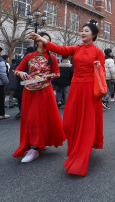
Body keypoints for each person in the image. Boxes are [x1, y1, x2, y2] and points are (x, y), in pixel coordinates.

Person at [30, 20, 105, 177]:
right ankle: (79, 146)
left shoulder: (98, 52)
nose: (82, 33)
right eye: (82, 30)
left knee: (86, 122)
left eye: (86, 31)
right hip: (76, 88)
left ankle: (82, 153)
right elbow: (59, 48)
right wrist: (43, 40)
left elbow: (102, 72)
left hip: (90, 89)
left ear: (94, 35)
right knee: (70, 122)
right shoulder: (76, 49)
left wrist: (98, 67)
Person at [13, 32, 65, 163]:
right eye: (42, 40)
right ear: (37, 41)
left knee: (39, 118)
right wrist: (21, 73)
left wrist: (47, 77)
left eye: (47, 40)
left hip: (44, 90)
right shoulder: (29, 56)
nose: (45, 42)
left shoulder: (51, 57)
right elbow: (16, 70)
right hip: (29, 90)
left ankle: (35, 147)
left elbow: (57, 73)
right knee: (30, 118)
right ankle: (35, 144)